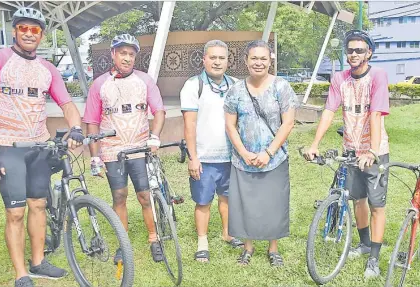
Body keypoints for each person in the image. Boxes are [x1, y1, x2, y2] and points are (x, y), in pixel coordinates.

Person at [0, 7, 84, 287]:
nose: (29, 34)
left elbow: (67, 104)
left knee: (39, 205)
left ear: (42, 35)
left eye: (35, 30)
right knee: (16, 211)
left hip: (38, 147)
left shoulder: (48, 69)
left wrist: (76, 127)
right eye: (24, 28)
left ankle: (38, 262)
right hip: (8, 146)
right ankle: (21, 273)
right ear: (15, 31)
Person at [304, 30, 390, 278]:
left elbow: (375, 114)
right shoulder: (339, 79)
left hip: (375, 151)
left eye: (359, 50)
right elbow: (329, 112)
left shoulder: (378, 76)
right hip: (350, 150)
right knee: (358, 200)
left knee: (377, 205)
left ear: (369, 53)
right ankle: (363, 244)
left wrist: (372, 151)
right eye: (350, 50)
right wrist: (314, 144)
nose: (354, 54)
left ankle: (374, 257)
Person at [82, 33, 166, 264]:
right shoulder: (99, 84)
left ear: (135, 57)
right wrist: (95, 157)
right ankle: (123, 244)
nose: (127, 58)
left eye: (131, 54)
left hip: (139, 147)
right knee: (119, 197)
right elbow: (92, 121)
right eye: (122, 53)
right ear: (113, 54)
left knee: (145, 196)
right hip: (112, 150)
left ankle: (154, 238)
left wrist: (155, 136)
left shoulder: (145, 80)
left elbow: (159, 111)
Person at [224, 40, 298, 267]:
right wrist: (244, 152)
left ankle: (273, 249)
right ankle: (247, 247)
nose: (258, 63)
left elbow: (288, 123)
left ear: (270, 60)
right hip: (242, 159)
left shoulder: (281, 87)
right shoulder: (235, 90)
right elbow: (230, 125)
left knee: (273, 203)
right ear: (246, 60)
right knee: (245, 204)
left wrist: (268, 152)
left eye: (263, 58)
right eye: (254, 58)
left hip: (275, 158)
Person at [180, 40, 244, 263]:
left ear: (228, 61)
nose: (217, 62)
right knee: (203, 201)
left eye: (221, 58)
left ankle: (228, 233)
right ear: (204, 59)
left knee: (227, 197)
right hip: (204, 157)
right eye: (213, 57)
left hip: (231, 156)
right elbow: (189, 125)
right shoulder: (193, 85)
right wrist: (193, 157)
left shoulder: (236, 84)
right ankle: (202, 242)